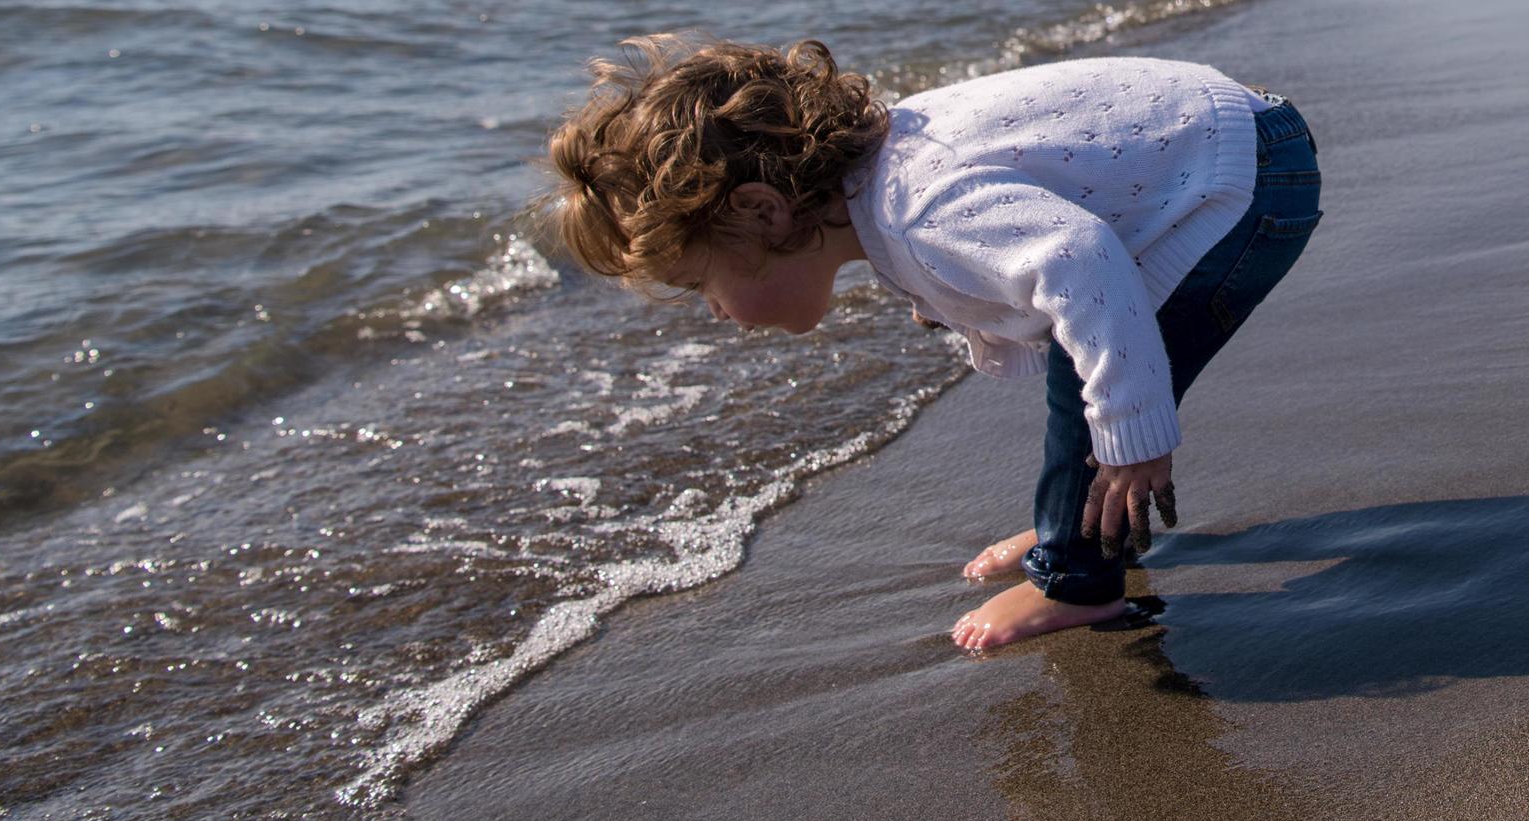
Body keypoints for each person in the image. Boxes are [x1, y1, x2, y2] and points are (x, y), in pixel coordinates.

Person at [545, 36, 1322, 651]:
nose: (713, 311)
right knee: (1082, 366)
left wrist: (1133, 437)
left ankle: (1079, 582)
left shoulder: (922, 209)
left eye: (699, 285)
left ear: (762, 211)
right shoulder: (884, 184)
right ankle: (1070, 530)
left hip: (1242, 182)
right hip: (1225, 139)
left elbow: (1078, 259)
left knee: (1099, 395)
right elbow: (1025, 243)